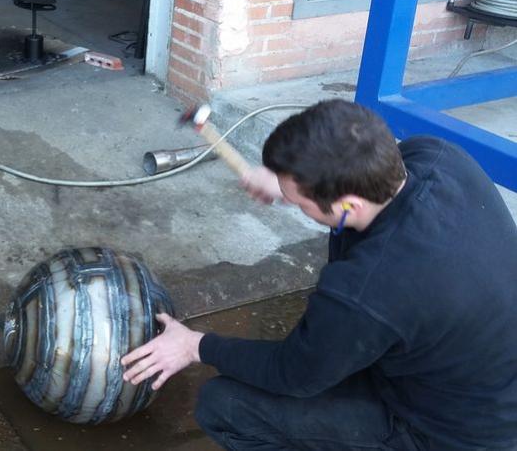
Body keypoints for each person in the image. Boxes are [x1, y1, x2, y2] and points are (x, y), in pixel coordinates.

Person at [121, 99, 517, 450]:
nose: (292, 204)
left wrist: (195, 346)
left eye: (300, 202)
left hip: (450, 434)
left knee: (224, 404)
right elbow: (353, 217)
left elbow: (292, 374)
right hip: (488, 381)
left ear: (349, 205)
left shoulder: (368, 287)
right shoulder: (437, 158)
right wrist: (287, 182)